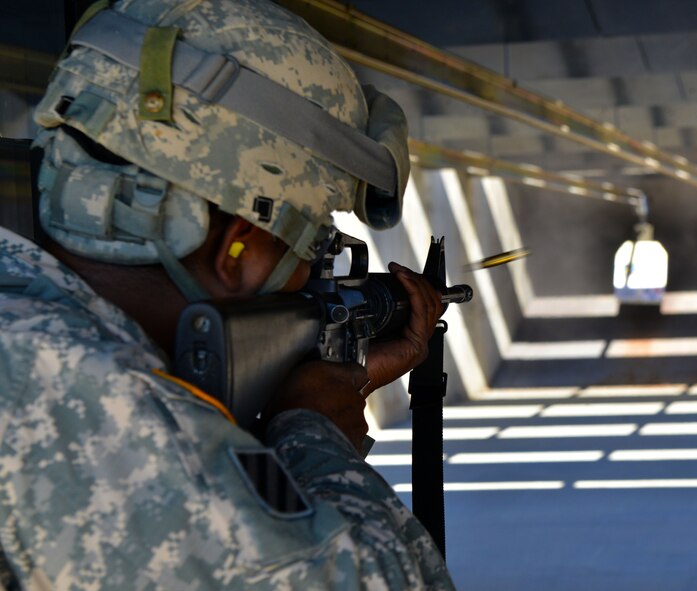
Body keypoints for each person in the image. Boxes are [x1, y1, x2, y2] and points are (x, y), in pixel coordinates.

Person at [0, 0, 455, 588]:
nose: (310, 275)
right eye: (313, 249)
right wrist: (312, 431)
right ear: (237, 251)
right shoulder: (81, 393)